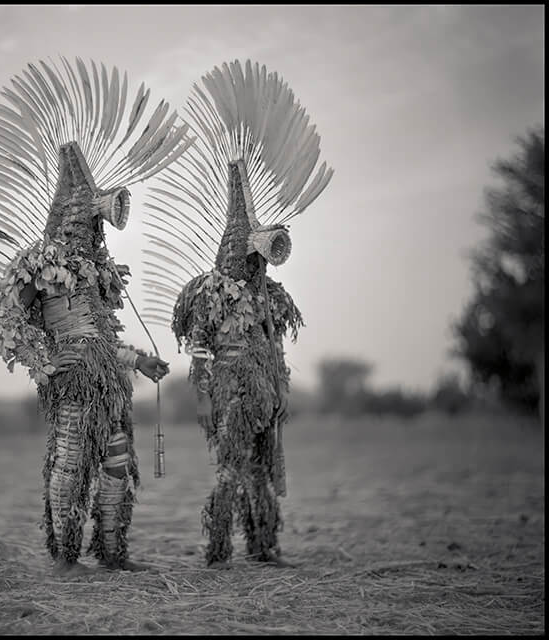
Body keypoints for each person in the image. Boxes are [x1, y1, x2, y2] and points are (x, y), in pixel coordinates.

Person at [0, 59, 187, 574]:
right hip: (73, 383)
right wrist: (43, 363)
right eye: (92, 219)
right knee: (68, 463)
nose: (98, 231)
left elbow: (101, 341)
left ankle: (111, 552)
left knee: (116, 466)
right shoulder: (40, 267)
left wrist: (140, 362)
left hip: (108, 384)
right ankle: (63, 556)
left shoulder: (97, 275)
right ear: (72, 216)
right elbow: (8, 320)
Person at [140, 59, 334, 568]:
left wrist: (275, 380)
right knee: (231, 466)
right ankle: (219, 546)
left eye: (260, 258)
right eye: (251, 256)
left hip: (267, 389)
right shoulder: (207, 292)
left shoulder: (270, 295)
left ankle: (264, 543)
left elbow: (277, 341)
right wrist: (205, 386)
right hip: (232, 390)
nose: (256, 264)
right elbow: (198, 346)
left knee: (262, 467)